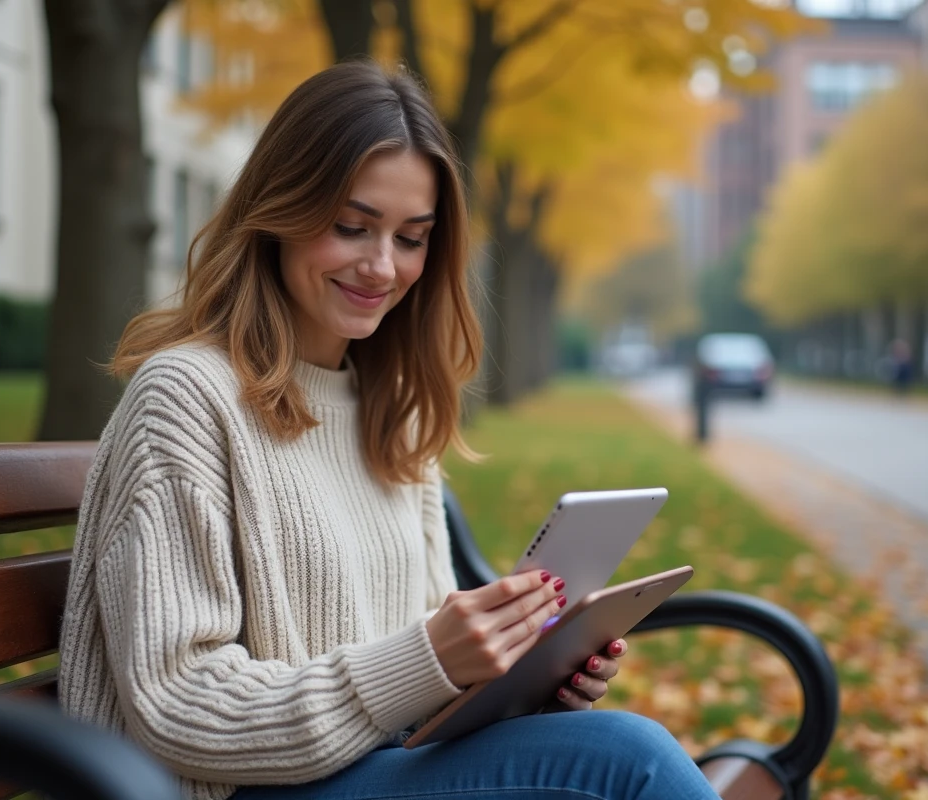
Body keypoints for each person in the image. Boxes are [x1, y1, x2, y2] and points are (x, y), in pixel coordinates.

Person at [57, 60, 718, 800]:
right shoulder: (186, 398)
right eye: (351, 227)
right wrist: (427, 659)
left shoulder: (391, 410)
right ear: (280, 210)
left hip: (377, 769)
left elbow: (421, 683)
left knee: (608, 754)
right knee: (629, 761)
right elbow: (176, 704)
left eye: (412, 237)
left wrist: (524, 678)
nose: (382, 266)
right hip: (239, 790)